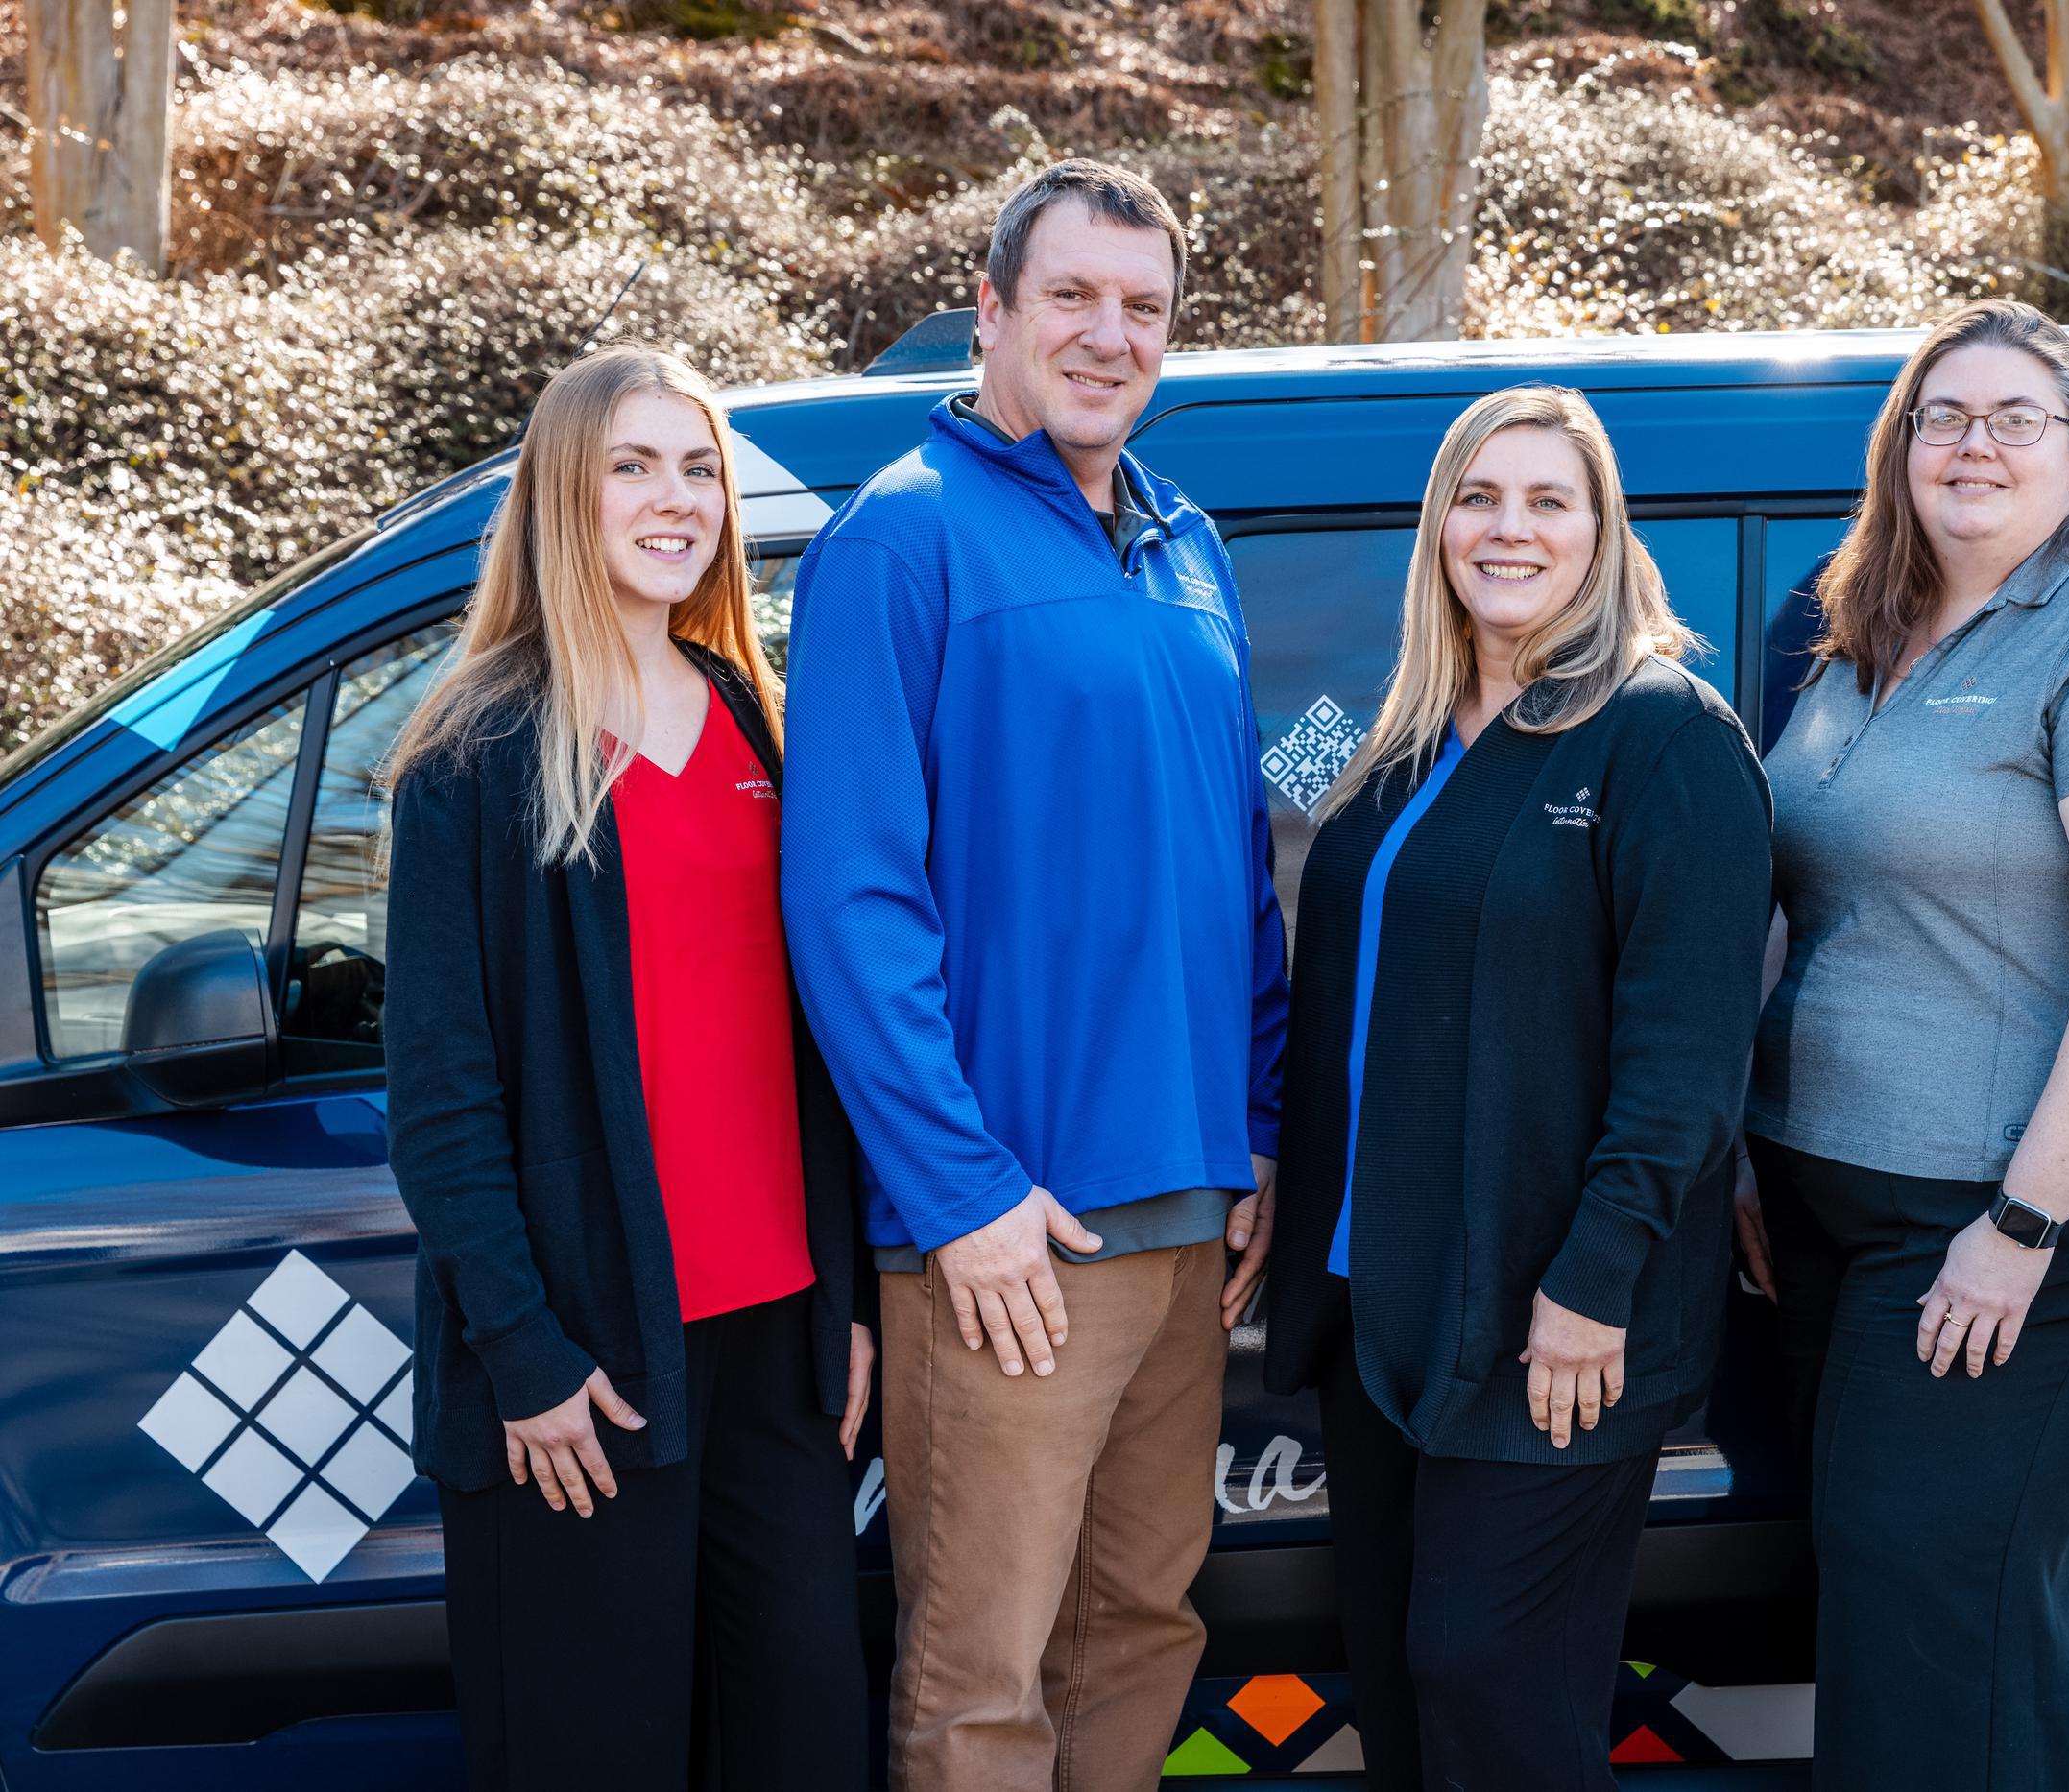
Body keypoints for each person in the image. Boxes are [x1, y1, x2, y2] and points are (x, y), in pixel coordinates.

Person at [778, 159, 1287, 1792]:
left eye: (1143, 308)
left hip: (1189, 1220)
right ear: (990, 309)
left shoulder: (1190, 542)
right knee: (981, 1680)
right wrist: (957, 1192)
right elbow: (851, 900)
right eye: (1071, 296)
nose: (1108, 334)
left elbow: (1237, 868)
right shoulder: (901, 540)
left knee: (1137, 1634)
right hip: (1010, 1241)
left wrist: (1261, 1125)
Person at [1736, 298, 2069, 1790]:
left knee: (1925, 1589)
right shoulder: (1869, 639)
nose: (1974, 443)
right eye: (1941, 416)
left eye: (2016, 417)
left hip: (2030, 1209)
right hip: (1850, 1198)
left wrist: (2021, 1225)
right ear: (1900, 449)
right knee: (1955, 1603)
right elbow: (1811, 899)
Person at [1262, 385, 1774, 1792]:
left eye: (1550, 500)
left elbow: (1686, 1062)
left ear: (1604, 532)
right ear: (1438, 527)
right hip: (1384, 1311)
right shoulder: (1405, 741)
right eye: (1481, 498)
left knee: (1495, 1685)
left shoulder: (1664, 735)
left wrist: (1595, 1279)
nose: (1510, 528)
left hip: (1552, 1320)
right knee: (1407, 1681)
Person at [383, 344, 873, 1792]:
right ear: (562, 496)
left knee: (801, 1746)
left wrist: (843, 1302)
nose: (678, 498)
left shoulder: (755, 714)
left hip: (779, 1350)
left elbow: (818, 1041)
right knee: (595, 1752)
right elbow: (443, 1098)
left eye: (700, 466)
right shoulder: (476, 753)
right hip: (587, 1372)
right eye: (634, 466)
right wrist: (525, 1358)